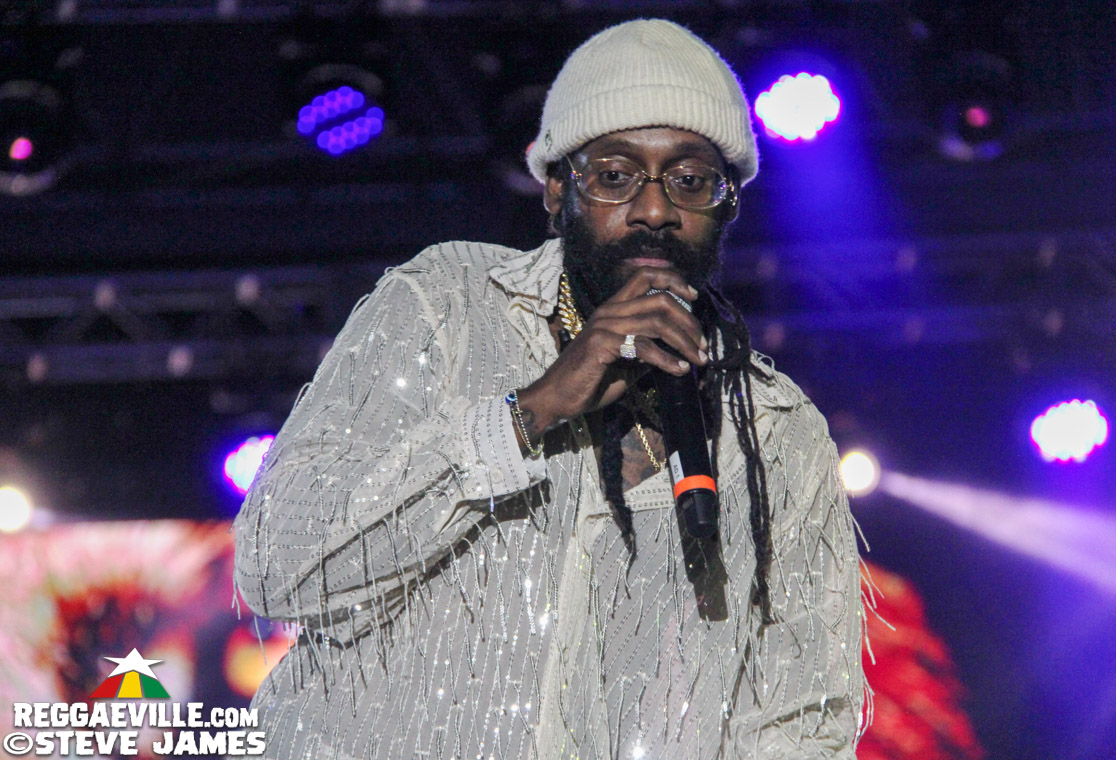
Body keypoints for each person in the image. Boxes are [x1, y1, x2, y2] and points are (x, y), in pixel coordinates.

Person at [233, 18, 867, 760]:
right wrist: (529, 412)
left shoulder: (774, 430)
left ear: (726, 203)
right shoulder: (449, 305)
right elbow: (278, 568)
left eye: (690, 180)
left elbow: (801, 723)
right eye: (615, 176)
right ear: (557, 189)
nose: (655, 210)